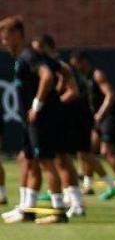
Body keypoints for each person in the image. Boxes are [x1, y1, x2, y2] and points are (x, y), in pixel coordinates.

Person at [0, 17, 83, 224]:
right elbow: (62, 70)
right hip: (31, 120)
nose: (3, 40)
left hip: (41, 119)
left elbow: (47, 76)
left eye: (6, 34)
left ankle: (58, 212)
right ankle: (27, 210)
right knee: (28, 161)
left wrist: (39, 104)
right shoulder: (25, 57)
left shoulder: (29, 56)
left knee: (47, 162)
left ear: (18, 34)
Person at [32, 35, 88, 217]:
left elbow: (73, 91)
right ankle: (71, 198)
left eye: (38, 48)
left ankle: (77, 202)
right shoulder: (46, 66)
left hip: (64, 118)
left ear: (46, 48)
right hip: (56, 117)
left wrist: (53, 104)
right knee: (59, 159)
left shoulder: (59, 66)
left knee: (61, 159)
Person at [69, 50, 115, 200]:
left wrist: (100, 114)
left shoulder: (97, 75)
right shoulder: (83, 78)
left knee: (106, 152)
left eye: (77, 64)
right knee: (86, 151)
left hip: (109, 117)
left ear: (83, 61)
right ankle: (87, 185)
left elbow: (110, 95)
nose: (76, 68)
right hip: (98, 119)